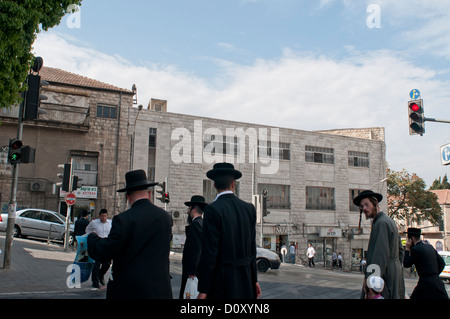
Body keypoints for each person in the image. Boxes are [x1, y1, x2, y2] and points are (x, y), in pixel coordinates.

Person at [87, 169, 173, 299]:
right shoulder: (165, 217)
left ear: (128, 196)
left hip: (131, 290)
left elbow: (107, 251)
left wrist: (92, 238)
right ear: (149, 194)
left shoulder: (123, 219)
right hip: (160, 290)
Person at [197, 162, 261, 299]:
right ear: (233, 184)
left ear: (214, 185)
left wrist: (203, 288)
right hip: (245, 280)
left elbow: (209, 253)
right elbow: (252, 249)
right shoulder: (249, 208)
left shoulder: (212, 210)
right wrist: (254, 280)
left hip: (222, 281)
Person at [353, 190, 405, 299]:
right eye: (362, 206)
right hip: (394, 274)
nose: (364, 209)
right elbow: (401, 251)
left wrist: (372, 288)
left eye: (367, 204)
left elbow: (379, 257)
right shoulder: (388, 221)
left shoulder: (380, 223)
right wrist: (396, 270)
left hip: (384, 278)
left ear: (375, 203)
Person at [403, 228, 448, 299]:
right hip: (437, 282)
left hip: (425, 283)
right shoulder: (430, 247)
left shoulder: (416, 249)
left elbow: (406, 264)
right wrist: (434, 275)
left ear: (411, 239)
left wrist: (407, 249)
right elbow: (442, 263)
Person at [179, 195, 207, 299]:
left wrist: (192, 271)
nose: (187, 212)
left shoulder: (196, 225)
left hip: (192, 272)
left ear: (194, 209)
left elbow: (196, 249)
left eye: (189, 209)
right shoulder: (202, 223)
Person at [86, 209, 112, 289]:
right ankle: (95, 282)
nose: (103, 217)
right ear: (99, 216)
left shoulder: (110, 223)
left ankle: (101, 275)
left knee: (107, 263)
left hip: (107, 245)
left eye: (105, 216)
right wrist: (91, 239)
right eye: (102, 216)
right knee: (97, 264)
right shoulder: (94, 223)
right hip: (98, 245)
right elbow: (87, 229)